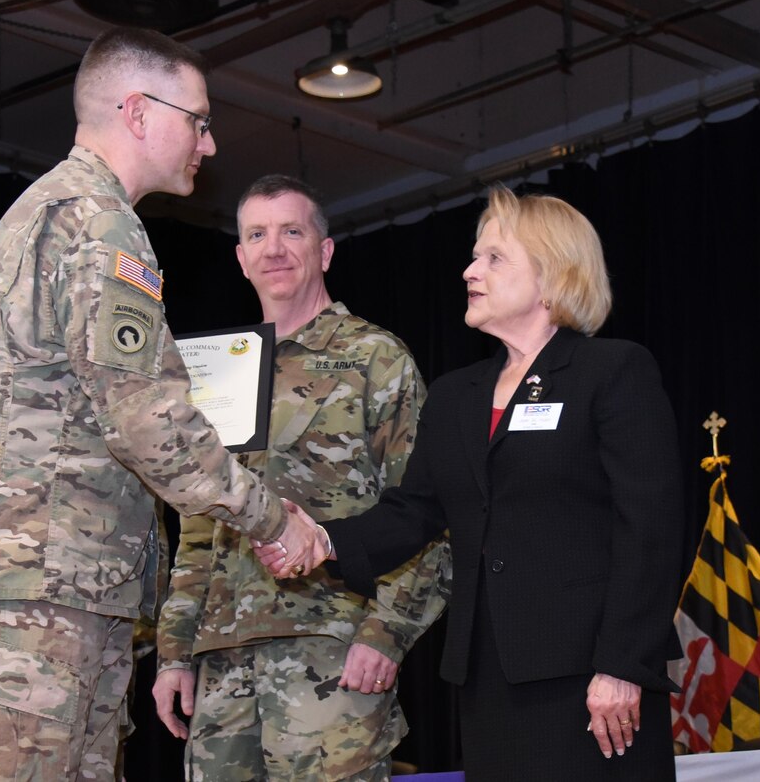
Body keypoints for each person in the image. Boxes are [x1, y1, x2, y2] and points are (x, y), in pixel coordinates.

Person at [0, 28, 318, 782]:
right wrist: (269, 518)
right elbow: (146, 418)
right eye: (197, 118)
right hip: (30, 593)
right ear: (136, 111)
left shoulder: (55, 211)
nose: (210, 141)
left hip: (35, 587)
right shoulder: (97, 225)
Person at [258, 185, 686, 781]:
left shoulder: (611, 372)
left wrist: (621, 666)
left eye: (493, 258)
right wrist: (323, 540)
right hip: (488, 678)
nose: (469, 271)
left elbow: (652, 531)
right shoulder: (458, 395)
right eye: (473, 256)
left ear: (552, 275)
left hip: (593, 679)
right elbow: (414, 511)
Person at [151, 175, 449, 781]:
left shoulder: (374, 357)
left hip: (331, 648)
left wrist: (387, 633)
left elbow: (426, 509)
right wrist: (174, 652)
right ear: (240, 257)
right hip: (223, 660)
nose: (274, 248)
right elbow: (198, 528)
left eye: (293, 231)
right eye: (257, 234)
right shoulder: (220, 371)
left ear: (325, 250)